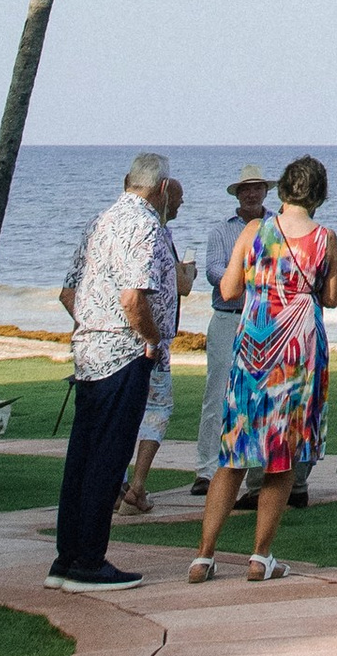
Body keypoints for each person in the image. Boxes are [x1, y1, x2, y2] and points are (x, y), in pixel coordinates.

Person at [191, 154, 337, 582]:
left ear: (281, 190)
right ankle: (260, 556)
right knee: (282, 454)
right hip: (298, 353)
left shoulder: (255, 230)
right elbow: (331, 297)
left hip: (254, 346)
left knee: (234, 451)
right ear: (320, 194)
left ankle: (203, 555)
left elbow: (228, 287)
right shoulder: (325, 238)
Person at [52, 151, 180, 590]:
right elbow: (132, 297)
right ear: (162, 188)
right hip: (124, 356)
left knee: (83, 458)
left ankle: (67, 560)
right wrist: (148, 339)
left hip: (89, 353)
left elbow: (70, 292)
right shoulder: (144, 224)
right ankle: (89, 562)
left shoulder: (101, 220)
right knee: (108, 458)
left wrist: (93, 326)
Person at [192, 165, 273, 494]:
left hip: (263, 319)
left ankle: (255, 468)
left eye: (257, 188)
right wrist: (250, 273)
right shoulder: (220, 231)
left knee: (260, 393)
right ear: (237, 194)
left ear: (265, 191)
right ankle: (207, 469)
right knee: (217, 393)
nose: (251, 194)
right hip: (227, 316)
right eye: (245, 189)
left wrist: (240, 273)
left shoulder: (276, 227)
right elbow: (213, 271)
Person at [118, 179, 196, 517]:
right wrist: (188, 274)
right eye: (177, 197)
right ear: (163, 194)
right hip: (151, 342)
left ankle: (122, 486)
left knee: (124, 413)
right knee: (157, 409)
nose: (180, 204)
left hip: (120, 341)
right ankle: (135, 486)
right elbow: (178, 286)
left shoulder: (121, 228)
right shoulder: (157, 232)